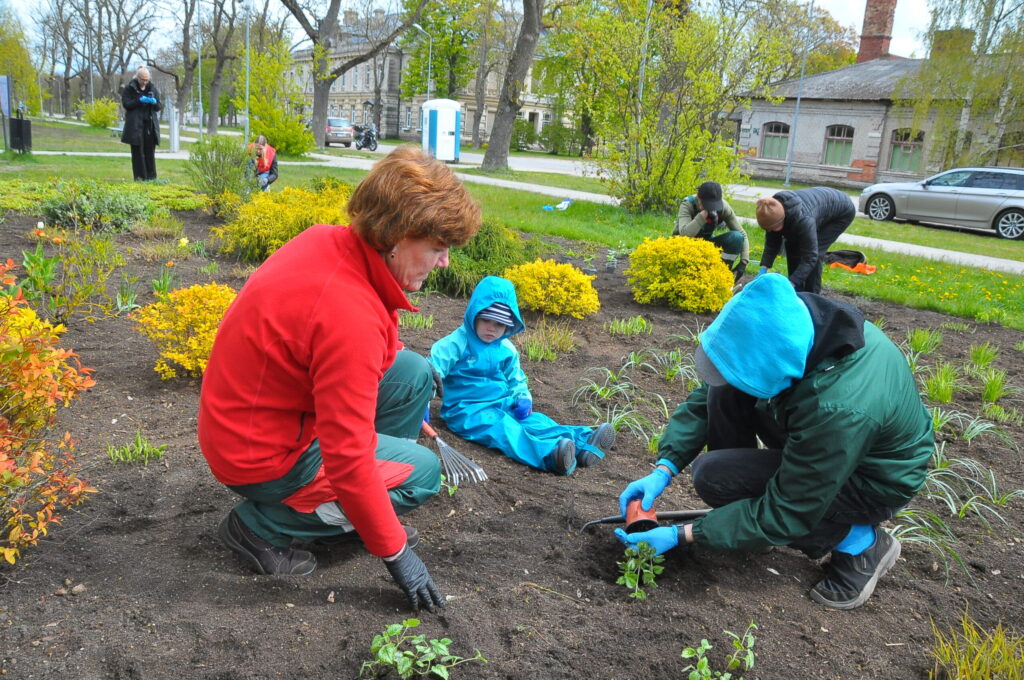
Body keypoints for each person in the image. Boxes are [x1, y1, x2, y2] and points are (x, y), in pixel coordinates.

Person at [197, 147, 481, 613]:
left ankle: (363, 505)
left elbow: (364, 349)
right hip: (263, 456)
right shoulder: (346, 314)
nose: (444, 262)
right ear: (396, 236)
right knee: (423, 474)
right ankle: (261, 527)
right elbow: (347, 455)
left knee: (412, 372)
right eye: (437, 247)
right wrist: (396, 553)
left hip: (254, 417)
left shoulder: (329, 242)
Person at [616, 273, 933, 610]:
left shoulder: (840, 406)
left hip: (872, 479)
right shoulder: (793, 325)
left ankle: (862, 543)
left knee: (718, 478)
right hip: (824, 443)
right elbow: (709, 394)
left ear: (781, 370)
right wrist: (664, 468)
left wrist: (681, 535)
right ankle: (744, 523)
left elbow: (788, 512)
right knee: (725, 392)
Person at [429, 275, 615, 476]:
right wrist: (422, 400)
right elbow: (432, 372)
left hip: (503, 402)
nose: (492, 328)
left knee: (536, 422)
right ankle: (550, 454)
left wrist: (522, 397)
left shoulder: (506, 349)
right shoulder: (454, 345)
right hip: (468, 411)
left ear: (508, 326)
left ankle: (583, 442)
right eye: (486, 320)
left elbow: (515, 378)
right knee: (505, 431)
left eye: (499, 324)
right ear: (473, 314)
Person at [754, 187, 856, 294]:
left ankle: (812, 295)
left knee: (817, 250)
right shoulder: (771, 213)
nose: (772, 231)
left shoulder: (803, 220)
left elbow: (811, 256)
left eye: (774, 228)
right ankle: (797, 292)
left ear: (782, 218)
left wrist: (792, 282)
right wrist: (763, 268)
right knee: (792, 245)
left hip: (840, 212)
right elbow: (772, 244)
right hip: (819, 208)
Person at [674, 181, 750, 284]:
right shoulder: (688, 204)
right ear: (698, 196)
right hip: (683, 246)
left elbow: (742, 233)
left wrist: (744, 262)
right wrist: (701, 216)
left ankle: (721, 275)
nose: (709, 208)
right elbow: (684, 234)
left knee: (736, 237)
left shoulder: (723, 207)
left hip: (706, 244)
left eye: (712, 205)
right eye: (706, 205)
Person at [120, 66, 163, 181]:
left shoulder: (152, 89)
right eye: (142, 79)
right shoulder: (129, 88)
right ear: (137, 77)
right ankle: (139, 178)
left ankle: (151, 178)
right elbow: (126, 104)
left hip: (149, 125)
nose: (144, 82)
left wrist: (154, 102)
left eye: (146, 80)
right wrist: (139, 100)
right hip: (135, 126)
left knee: (150, 152)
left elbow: (159, 106)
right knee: (138, 153)